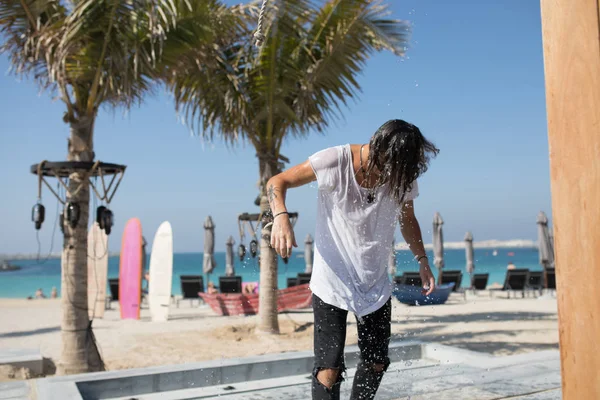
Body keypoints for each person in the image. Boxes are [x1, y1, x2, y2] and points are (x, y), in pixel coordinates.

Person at [266, 119, 439, 400]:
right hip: (331, 280)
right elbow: (278, 181)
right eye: (383, 162)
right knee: (329, 368)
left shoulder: (402, 173)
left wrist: (422, 259)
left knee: (376, 362)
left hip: (375, 282)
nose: (388, 174)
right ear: (374, 142)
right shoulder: (334, 160)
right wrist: (280, 217)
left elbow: (407, 218)